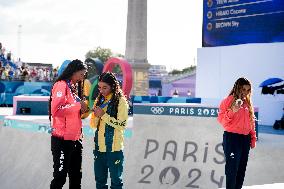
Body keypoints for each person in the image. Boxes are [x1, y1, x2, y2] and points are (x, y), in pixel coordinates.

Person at [49, 59, 89, 189]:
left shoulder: (73, 87)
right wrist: (77, 105)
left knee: (76, 178)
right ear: (74, 71)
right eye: (82, 74)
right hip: (62, 140)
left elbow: (73, 112)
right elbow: (56, 111)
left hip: (76, 139)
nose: (83, 77)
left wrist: (84, 109)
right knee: (60, 178)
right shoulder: (61, 85)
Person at [90, 72, 129, 189]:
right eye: (99, 87)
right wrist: (96, 116)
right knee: (100, 182)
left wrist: (103, 115)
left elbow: (122, 125)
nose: (101, 90)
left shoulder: (121, 101)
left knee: (116, 183)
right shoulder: (99, 100)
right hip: (99, 149)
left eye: (105, 87)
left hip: (114, 149)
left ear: (112, 86)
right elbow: (93, 125)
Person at [217, 77, 257, 189]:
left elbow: (251, 122)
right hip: (232, 139)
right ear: (237, 88)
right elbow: (222, 121)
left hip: (245, 140)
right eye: (243, 89)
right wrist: (232, 111)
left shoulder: (247, 104)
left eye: (248, 90)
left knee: (241, 170)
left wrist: (253, 138)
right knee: (232, 170)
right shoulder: (228, 101)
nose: (245, 92)